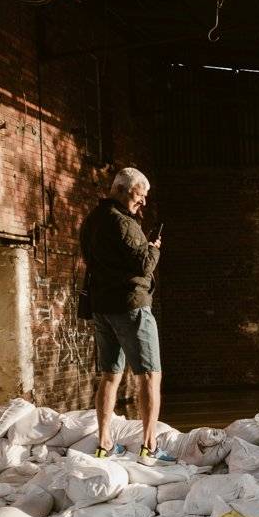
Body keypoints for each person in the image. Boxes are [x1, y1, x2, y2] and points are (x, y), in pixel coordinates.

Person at [79, 167, 175, 466]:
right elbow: (144, 264)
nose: (143, 202)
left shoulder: (91, 221)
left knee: (110, 375)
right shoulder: (123, 222)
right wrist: (153, 247)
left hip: (101, 307)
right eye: (140, 195)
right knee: (149, 375)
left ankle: (105, 443)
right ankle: (149, 447)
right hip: (130, 306)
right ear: (121, 189)